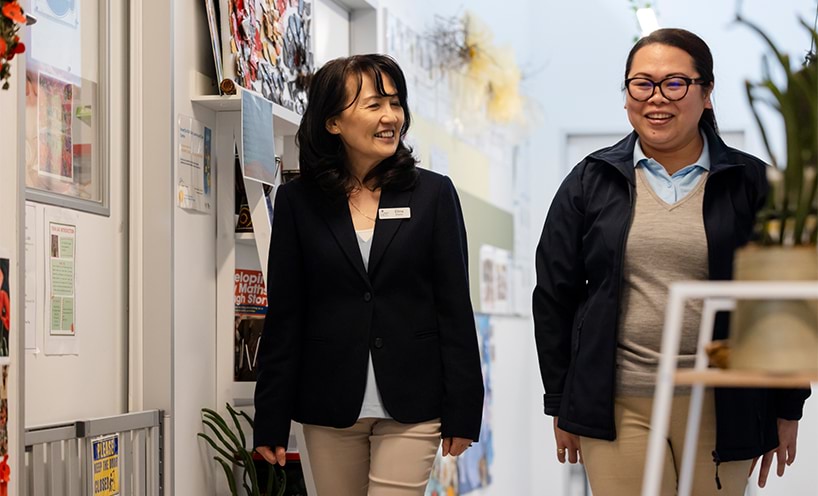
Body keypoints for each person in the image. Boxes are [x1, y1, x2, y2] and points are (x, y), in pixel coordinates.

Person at [532, 28, 810, 495]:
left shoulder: (752, 183)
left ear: (706, 94)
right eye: (642, 83)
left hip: (725, 404)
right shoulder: (589, 181)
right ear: (626, 96)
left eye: (675, 83)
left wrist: (787, 407)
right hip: (618, 402)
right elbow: (554, 296)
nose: (656, 97)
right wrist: (561, 401)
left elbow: (783, 300)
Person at [254, 54, 484, 496]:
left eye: (395, 104)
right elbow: (285, 315)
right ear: (333, 122)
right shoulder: (298, 202)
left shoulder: (434, 194)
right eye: (374, 104)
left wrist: (464, 409)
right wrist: (270, 419)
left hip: (413, 403)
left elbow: (454, 307)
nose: (390, 117)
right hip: (328, 401)